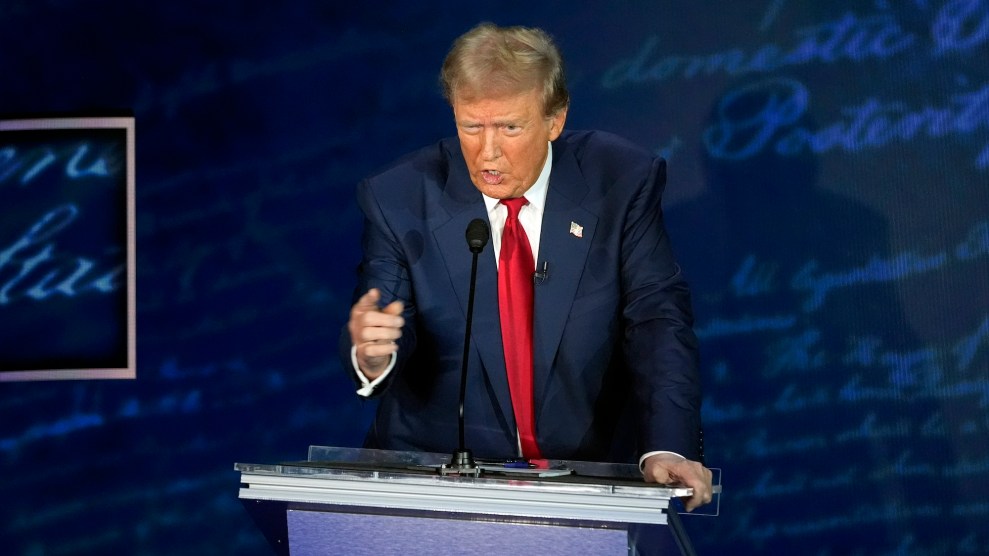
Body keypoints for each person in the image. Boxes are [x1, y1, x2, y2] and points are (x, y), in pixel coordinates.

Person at [340, 22, 712, 512]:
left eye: (510, 128)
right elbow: (388, 320)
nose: (487, 152)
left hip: (585, 479)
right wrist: (372, 355)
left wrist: (668, 444)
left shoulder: (620, 181)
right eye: (471, 126)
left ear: (555, 120)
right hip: (436, 486)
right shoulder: (399, 197)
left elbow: (656, 319)